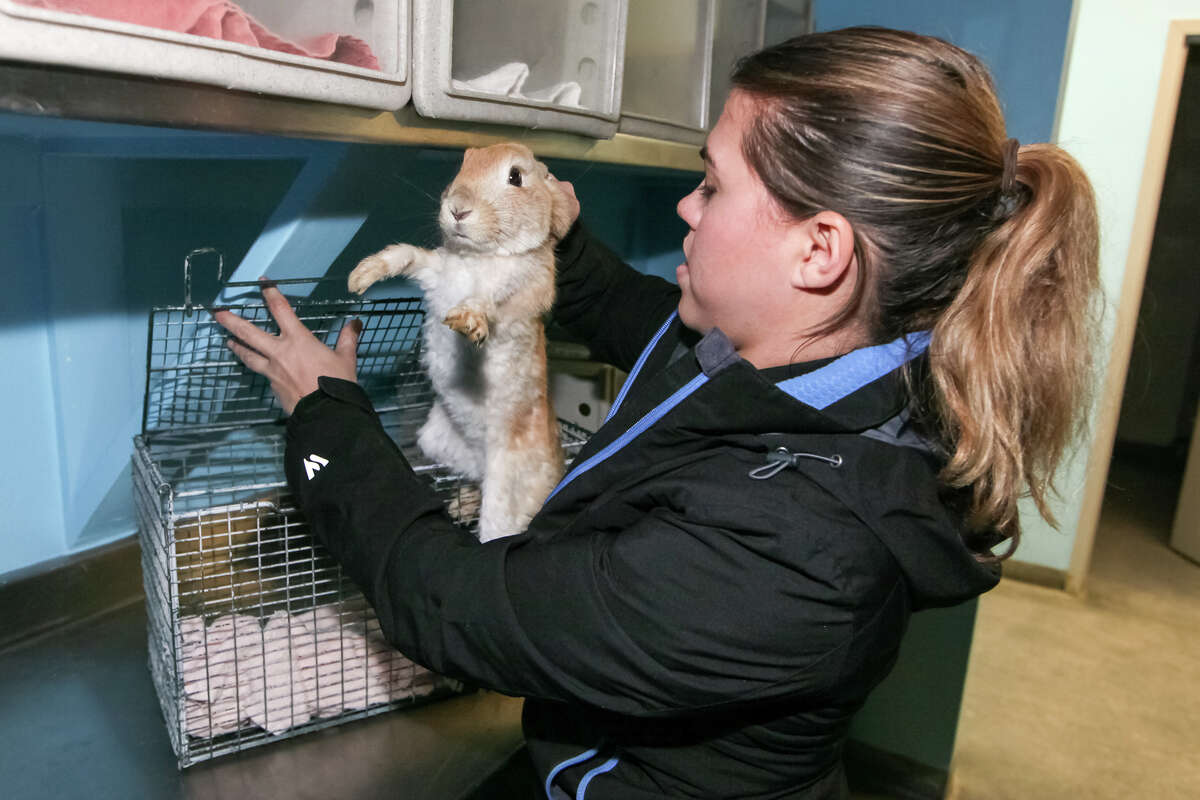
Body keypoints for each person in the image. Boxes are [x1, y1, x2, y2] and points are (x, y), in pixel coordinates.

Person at [214, 27, 1099, 800]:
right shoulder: (839, 369)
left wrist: (325, 414)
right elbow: (648, 325)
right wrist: (544, 224)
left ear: (819, 250)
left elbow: (449, 604)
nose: (685, 204)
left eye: (712, 187)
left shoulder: (792, 550)